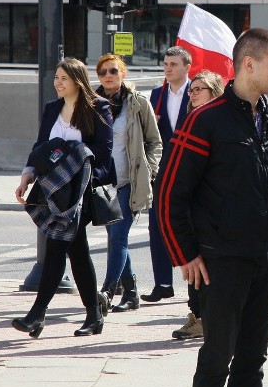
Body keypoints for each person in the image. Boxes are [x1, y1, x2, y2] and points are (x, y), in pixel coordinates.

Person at [157, 28, 268, 387]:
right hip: (221, 261)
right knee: (218, 356)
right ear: (248, 64)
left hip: (265, 260)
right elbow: (170, 194)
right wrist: (185, 254)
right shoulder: (204, 120)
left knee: (253, 360)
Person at [12, 57, 115, 337]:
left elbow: (103, 153)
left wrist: (73, 159)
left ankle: (37, 314)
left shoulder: (98, 108)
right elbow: (40, 148)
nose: (58, 83)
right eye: (56, 78)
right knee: (77, 251)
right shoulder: (51, 109)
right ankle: (93, 315)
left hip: (81, 193)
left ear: (77, 81)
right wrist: (27, 174)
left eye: (63, 79)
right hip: (53, 191)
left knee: (57, 246)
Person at [94, 54, 162, 315]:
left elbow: (155, 142)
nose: (108, 75)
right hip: (101, 183)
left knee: (119, 237)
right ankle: (132, 294)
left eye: (113, 70)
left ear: (123, 73)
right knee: (115, 237)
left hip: (129, 182)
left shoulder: (137, 103)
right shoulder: (91, 104)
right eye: (102, 72)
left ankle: (107, 291)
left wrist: (151, 171)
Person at [172, 69, 226, 340]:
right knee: (192, 262)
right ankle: (196, 316)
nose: (192, 94)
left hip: (212, 209)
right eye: (191, 90)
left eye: (199, 89)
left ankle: (205, 318)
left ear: (214, 92)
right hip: (190, 206)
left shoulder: (219, 121)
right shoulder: (189, 120)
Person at [142, 46, 192, 306]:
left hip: (190, 170)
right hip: (162, 170)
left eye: (173, 64)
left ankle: (196, 286)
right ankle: (163, 284)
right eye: (166, 64)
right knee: (156, 224)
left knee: (192, 225)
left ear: (187, 67)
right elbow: (150, 134)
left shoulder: (197, 91)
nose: (168, 68)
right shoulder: (157, 94)